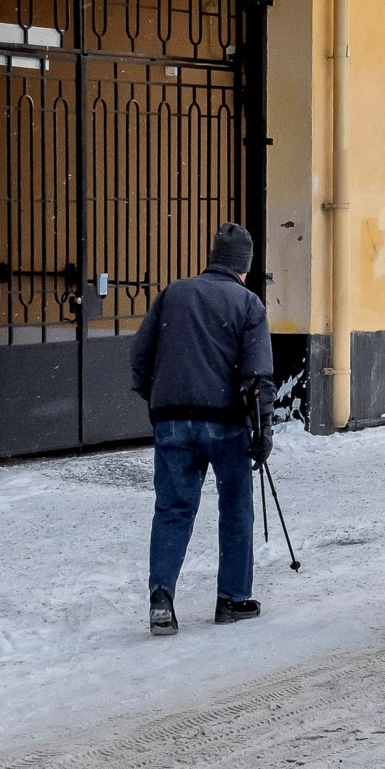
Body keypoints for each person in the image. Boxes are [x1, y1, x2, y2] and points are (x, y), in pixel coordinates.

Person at [130, 221, 275, 634]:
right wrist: (263, 430)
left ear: (212, 259)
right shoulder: (248, 304)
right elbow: (258, 374)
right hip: (227, 425)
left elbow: (140, 353)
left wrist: (154, 399)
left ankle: (162, 597)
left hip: (173, 420)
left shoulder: (173, 294)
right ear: (243, 267)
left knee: (173, 509)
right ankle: (231, 598)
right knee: (235, 509)